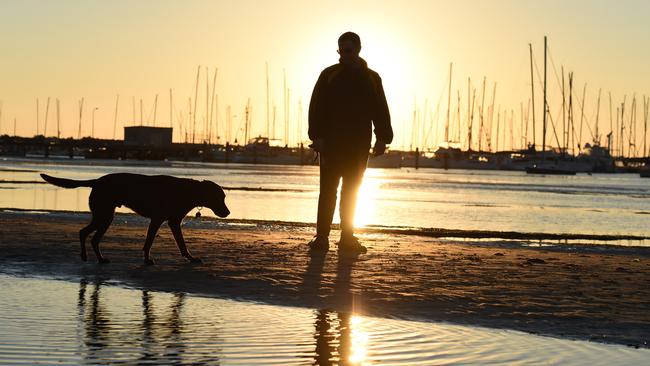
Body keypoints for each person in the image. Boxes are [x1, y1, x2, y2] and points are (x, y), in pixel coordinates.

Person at [307, 31, 393, 254]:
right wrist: (317, 137)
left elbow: (380, 110)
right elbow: (316, 107)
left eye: (348, 51)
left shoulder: (372, 78)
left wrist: (383, 138)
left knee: (352, 191)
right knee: (327, 191)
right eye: (340, 51)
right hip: (331, 145)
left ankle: (347, 238)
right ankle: (322, 238)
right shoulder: (329, 75)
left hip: (358, 146)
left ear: (358, 50)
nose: (343, 55)